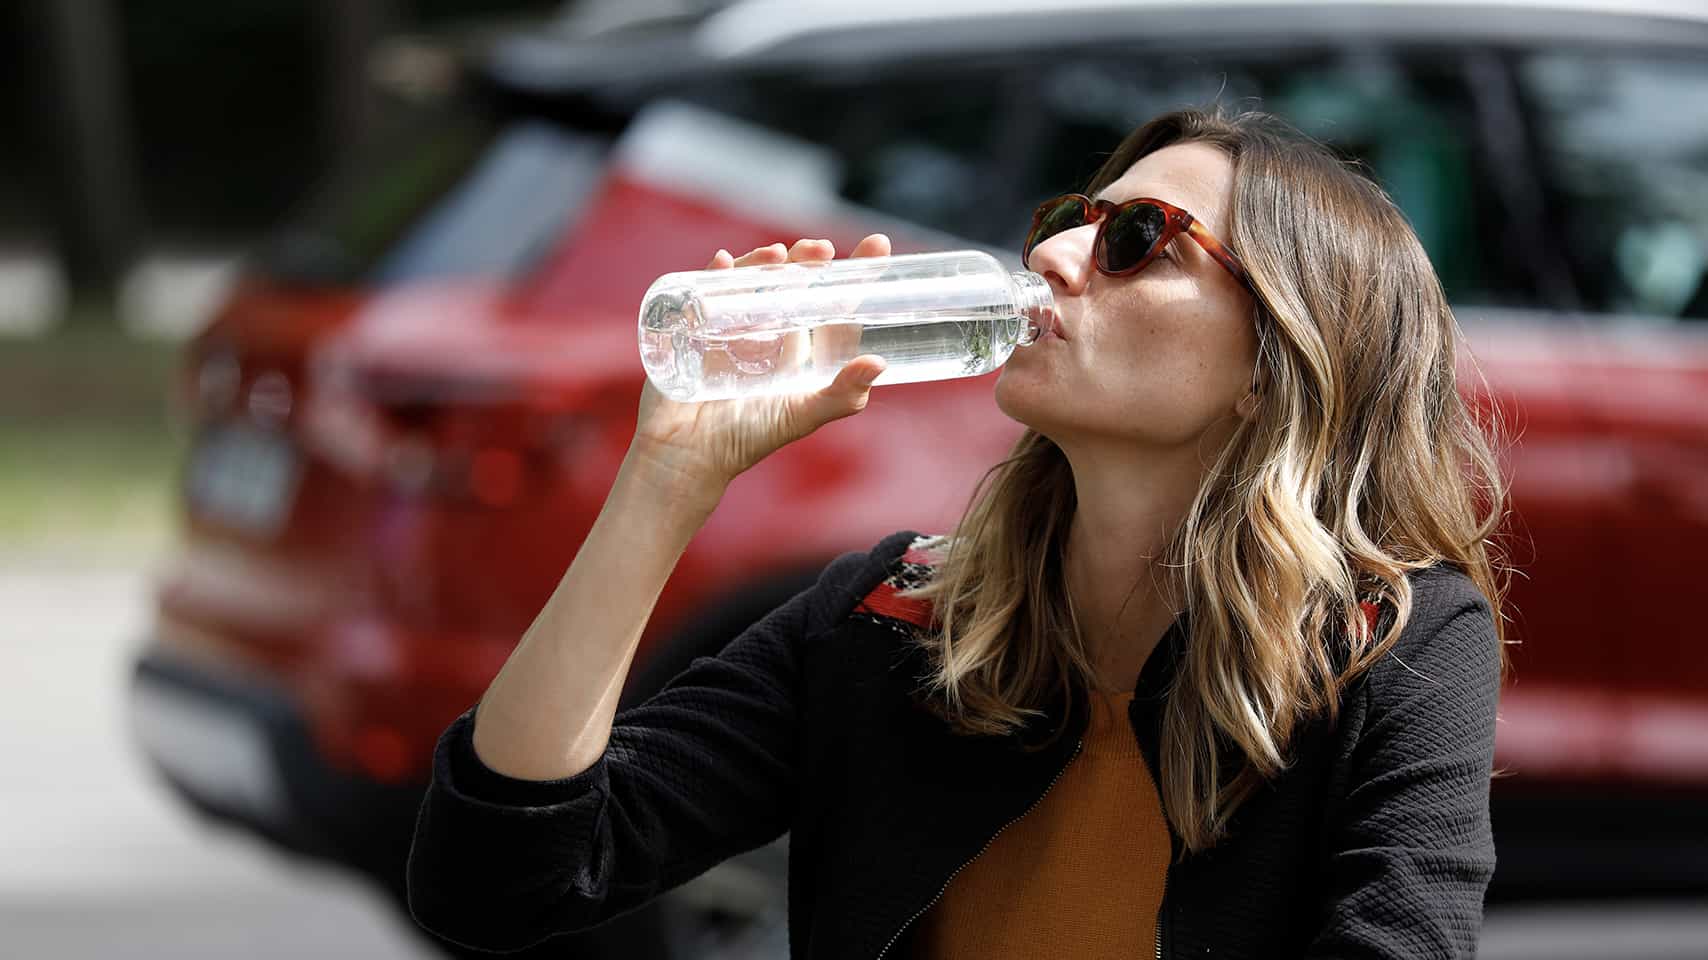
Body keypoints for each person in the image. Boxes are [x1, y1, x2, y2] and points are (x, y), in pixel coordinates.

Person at [405, 106, 1507, 960]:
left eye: (1136, 240)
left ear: (1279, 362)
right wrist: (663, 484)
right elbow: (498, 883)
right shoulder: (898, 617)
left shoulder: (1393, 644)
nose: (1052, 259)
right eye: (1066, 221)